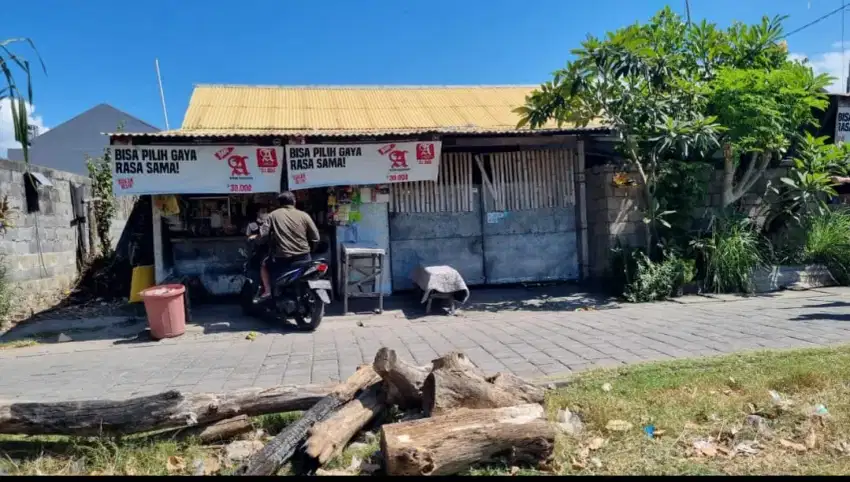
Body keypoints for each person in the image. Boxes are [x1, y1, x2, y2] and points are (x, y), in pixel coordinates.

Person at [255, 191, 320, 301]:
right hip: (304, 257)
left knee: (264, 265)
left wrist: (258, 241)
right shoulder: (304, 215)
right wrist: (311, 250)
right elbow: (316, 237)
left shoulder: (273, 215)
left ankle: (267, 291)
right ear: (294, 201)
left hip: (283, 258)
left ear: (279, 203)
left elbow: (263, 236)